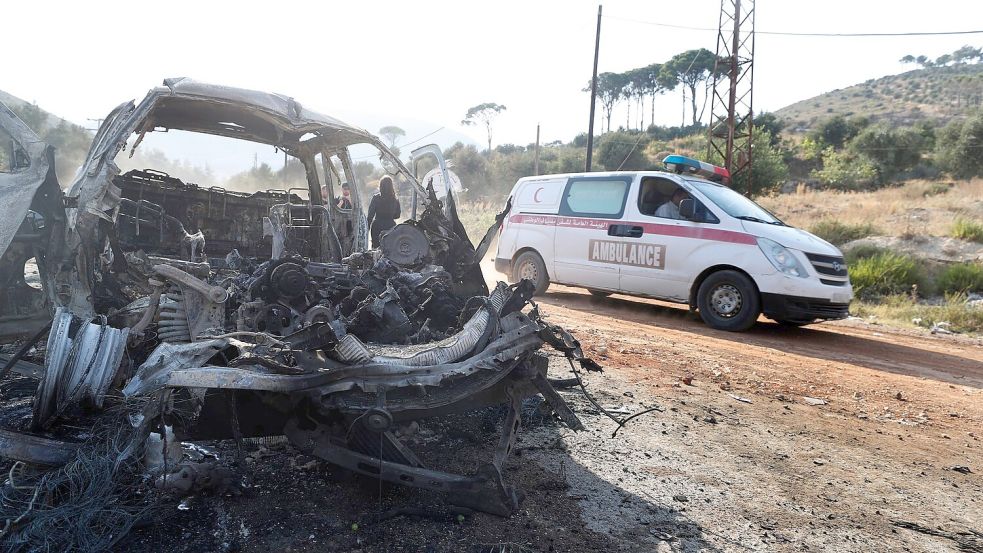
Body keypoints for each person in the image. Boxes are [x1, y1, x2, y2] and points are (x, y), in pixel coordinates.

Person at [367, 176, 401, 248]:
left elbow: (370, 215)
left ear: (380, 186)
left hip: (377, 226)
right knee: (390, 249)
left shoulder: (376, 198)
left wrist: (367, 228)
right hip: (390, 226)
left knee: (376, 249)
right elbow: (398, 215)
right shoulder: (395, 199)